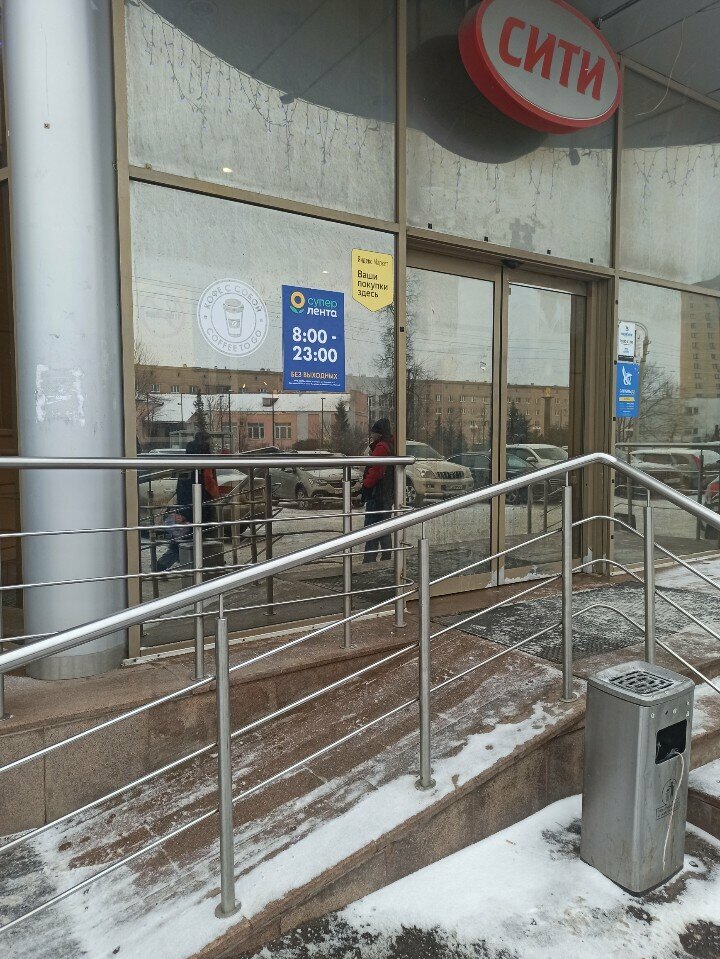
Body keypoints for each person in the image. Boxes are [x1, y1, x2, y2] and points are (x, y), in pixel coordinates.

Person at [156, 433, 220, 571]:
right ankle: (163, 566)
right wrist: (215, 495)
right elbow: (209, 485)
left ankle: (170, 565)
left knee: (187, 537)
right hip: (200, 506)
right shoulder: (203, 465)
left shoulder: (187, 464)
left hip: (187, 504)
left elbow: (182, 486)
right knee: (192, 537)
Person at [361, 418, 395, 563]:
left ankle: (369, 560)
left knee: (371, 528)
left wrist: (365, 486)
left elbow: (375, 471)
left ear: (379, 433)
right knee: (384, 527)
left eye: (373, 432)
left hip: (377, 494)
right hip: (387, 494)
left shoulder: (381, 447)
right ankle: (387, 557)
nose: (372, 435)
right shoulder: (391, 445)